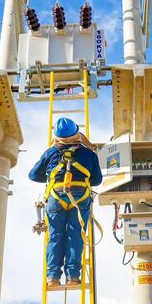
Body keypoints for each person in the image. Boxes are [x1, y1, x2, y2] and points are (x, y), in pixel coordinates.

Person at [29, 117, 102, 287]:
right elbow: (97, 180)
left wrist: (50, 177)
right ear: (77, 133)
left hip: (56, 197)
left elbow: (33, 175)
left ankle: (53, 278)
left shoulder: (50, 153)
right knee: (75, 236)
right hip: (80, 198)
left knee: (55, 236)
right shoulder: (89, 154)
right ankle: (73, 277)